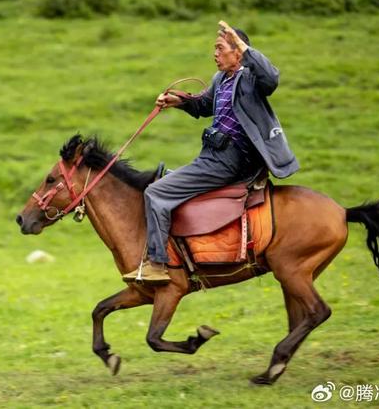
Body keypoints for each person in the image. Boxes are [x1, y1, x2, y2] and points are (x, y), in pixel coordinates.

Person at [122, 21, 299, 285]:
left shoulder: (250, 78)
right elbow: (204, 105)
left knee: (156, 192)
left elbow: (271, 78)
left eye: (220, 48)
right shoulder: (220, 79)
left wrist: (242, 45)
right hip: (212, 156)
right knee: (162, 180)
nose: (214, 54)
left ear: (238, 52)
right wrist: (178, 101)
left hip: (232, 160)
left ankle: (157, 265)